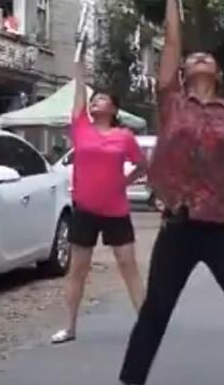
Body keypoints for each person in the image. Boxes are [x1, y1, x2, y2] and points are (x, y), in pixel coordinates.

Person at [118, 0, 224, 384]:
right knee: (155, 311)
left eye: (207, 57)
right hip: (177, 225)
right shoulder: (172, 102)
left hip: (222, 227)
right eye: (193, 57)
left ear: (218, 73)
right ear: (182, 71)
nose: (199, 58)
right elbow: (172, 42)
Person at [51, 40, 147, 344]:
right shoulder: (81, 127)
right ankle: (69, 327)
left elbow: (142, 165)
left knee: (128, 266)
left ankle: (147, 326)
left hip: (116, 210)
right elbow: (79, 94)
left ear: (114, 109)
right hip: (85, 210)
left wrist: (124, 183)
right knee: (77, 269)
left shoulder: (124, 136)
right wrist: (78, 64)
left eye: (102, 99)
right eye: (94, 99)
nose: (96, 102)